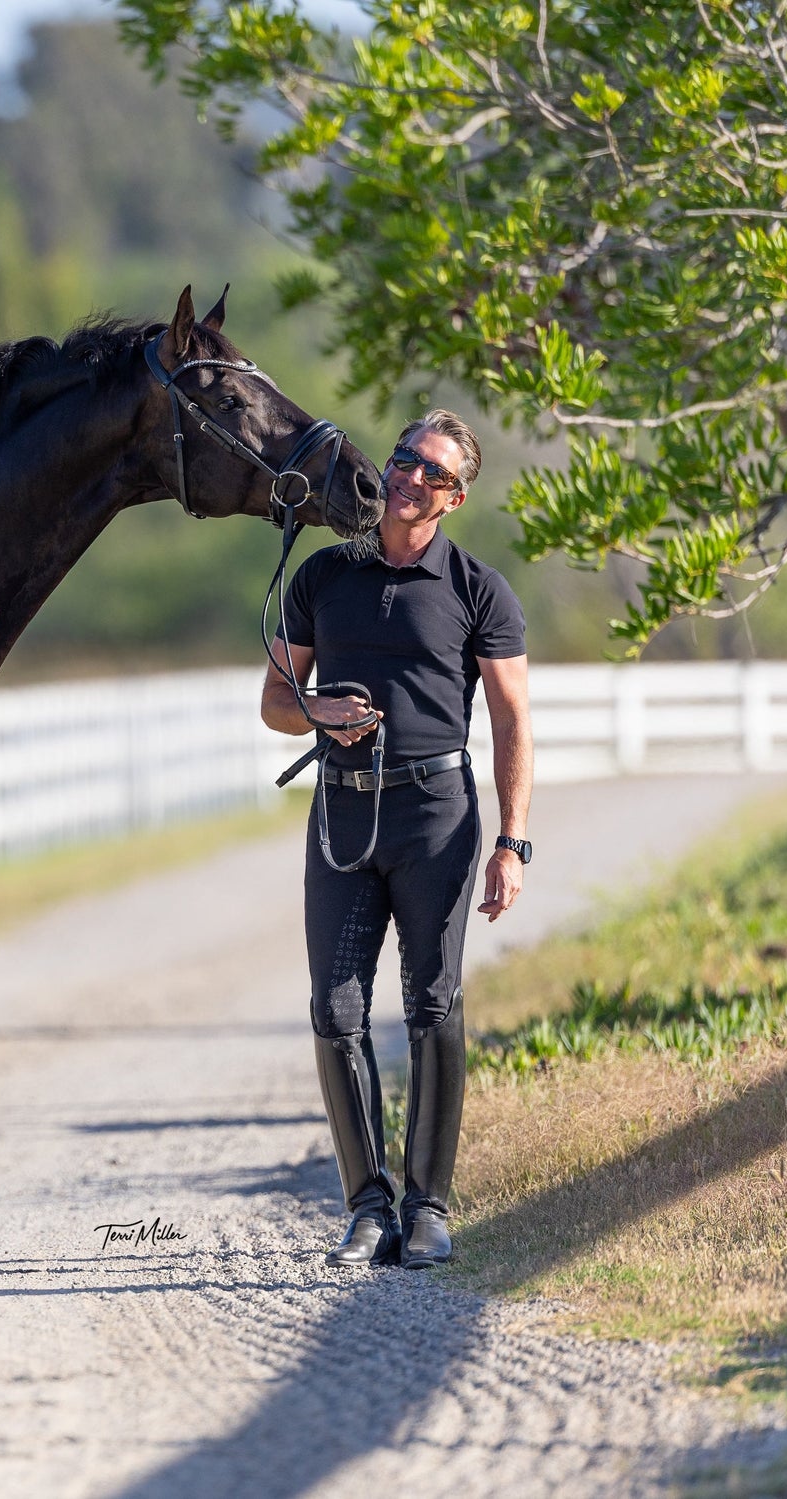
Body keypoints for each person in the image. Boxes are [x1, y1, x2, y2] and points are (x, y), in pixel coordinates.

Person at [261, 409, 533, 1269]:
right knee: (335, 1010)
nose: (410, 477)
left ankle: (429, 1208)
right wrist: (316, 710)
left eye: (432, 472)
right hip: (342, 815)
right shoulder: (323, 573)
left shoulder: (479, 590)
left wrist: (513, 842)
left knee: (432, 1002)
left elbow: (512, 721)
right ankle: (368, 1207)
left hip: (436, 817)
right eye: (405, 458)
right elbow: (275, 702)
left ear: (455, 497)